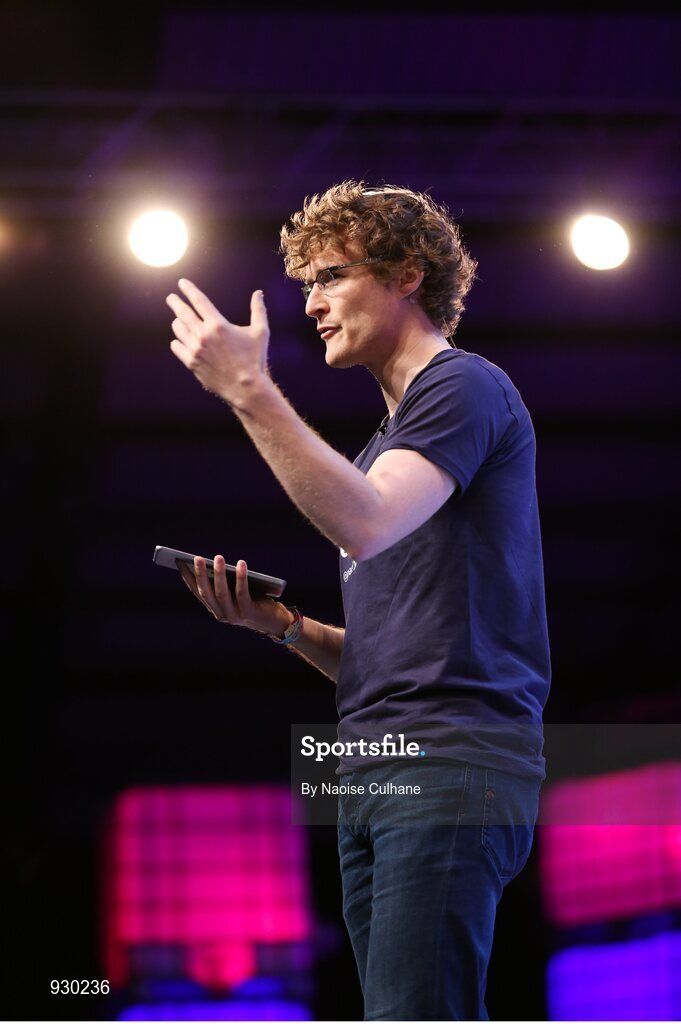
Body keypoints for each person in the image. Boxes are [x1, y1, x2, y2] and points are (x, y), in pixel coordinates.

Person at [166, 181, 551, 1020]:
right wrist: (284, 627)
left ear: (406, 274)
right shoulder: (384, 450)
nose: (310, 304)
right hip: (374, 768)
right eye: (307, 283)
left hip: (448, 760)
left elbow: (366, 522)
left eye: (330, 276)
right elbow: (392, 658)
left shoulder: (463, 386)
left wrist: (248, 390)